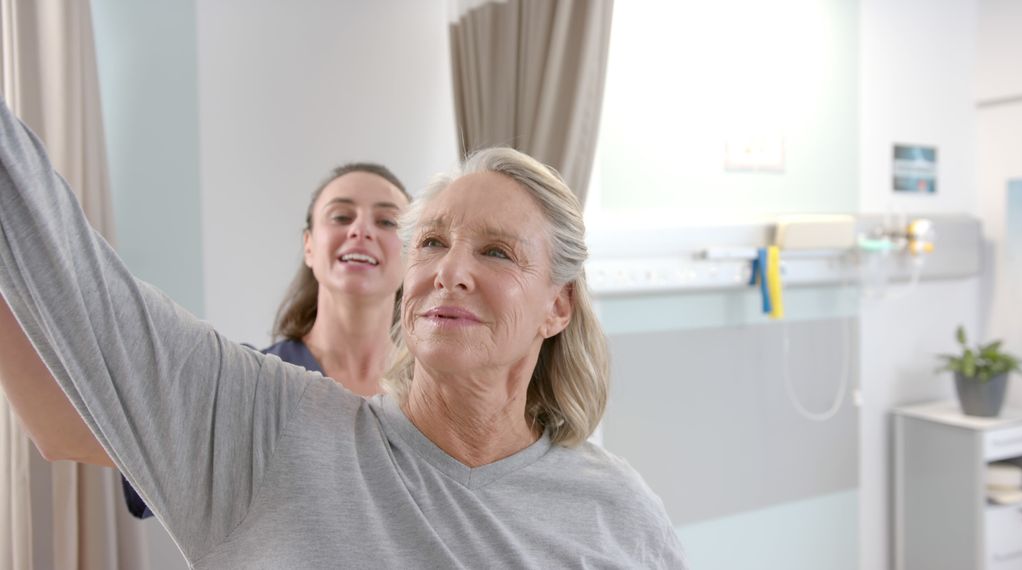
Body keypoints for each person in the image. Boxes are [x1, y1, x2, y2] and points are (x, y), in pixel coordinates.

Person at [0, 99, 687, 567]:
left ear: (557, 307)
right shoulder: (265, 423)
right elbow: (77, 291)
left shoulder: (617, 513)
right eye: (434, 242)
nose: (450, 270)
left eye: (497, 252)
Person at [0, 161, 411, 519]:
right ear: (308, 245)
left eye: (387, 221)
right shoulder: (247, 385)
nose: (361, 230)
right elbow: (66, 433)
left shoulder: (440, 399)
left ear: (413, 255)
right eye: (341, 217)